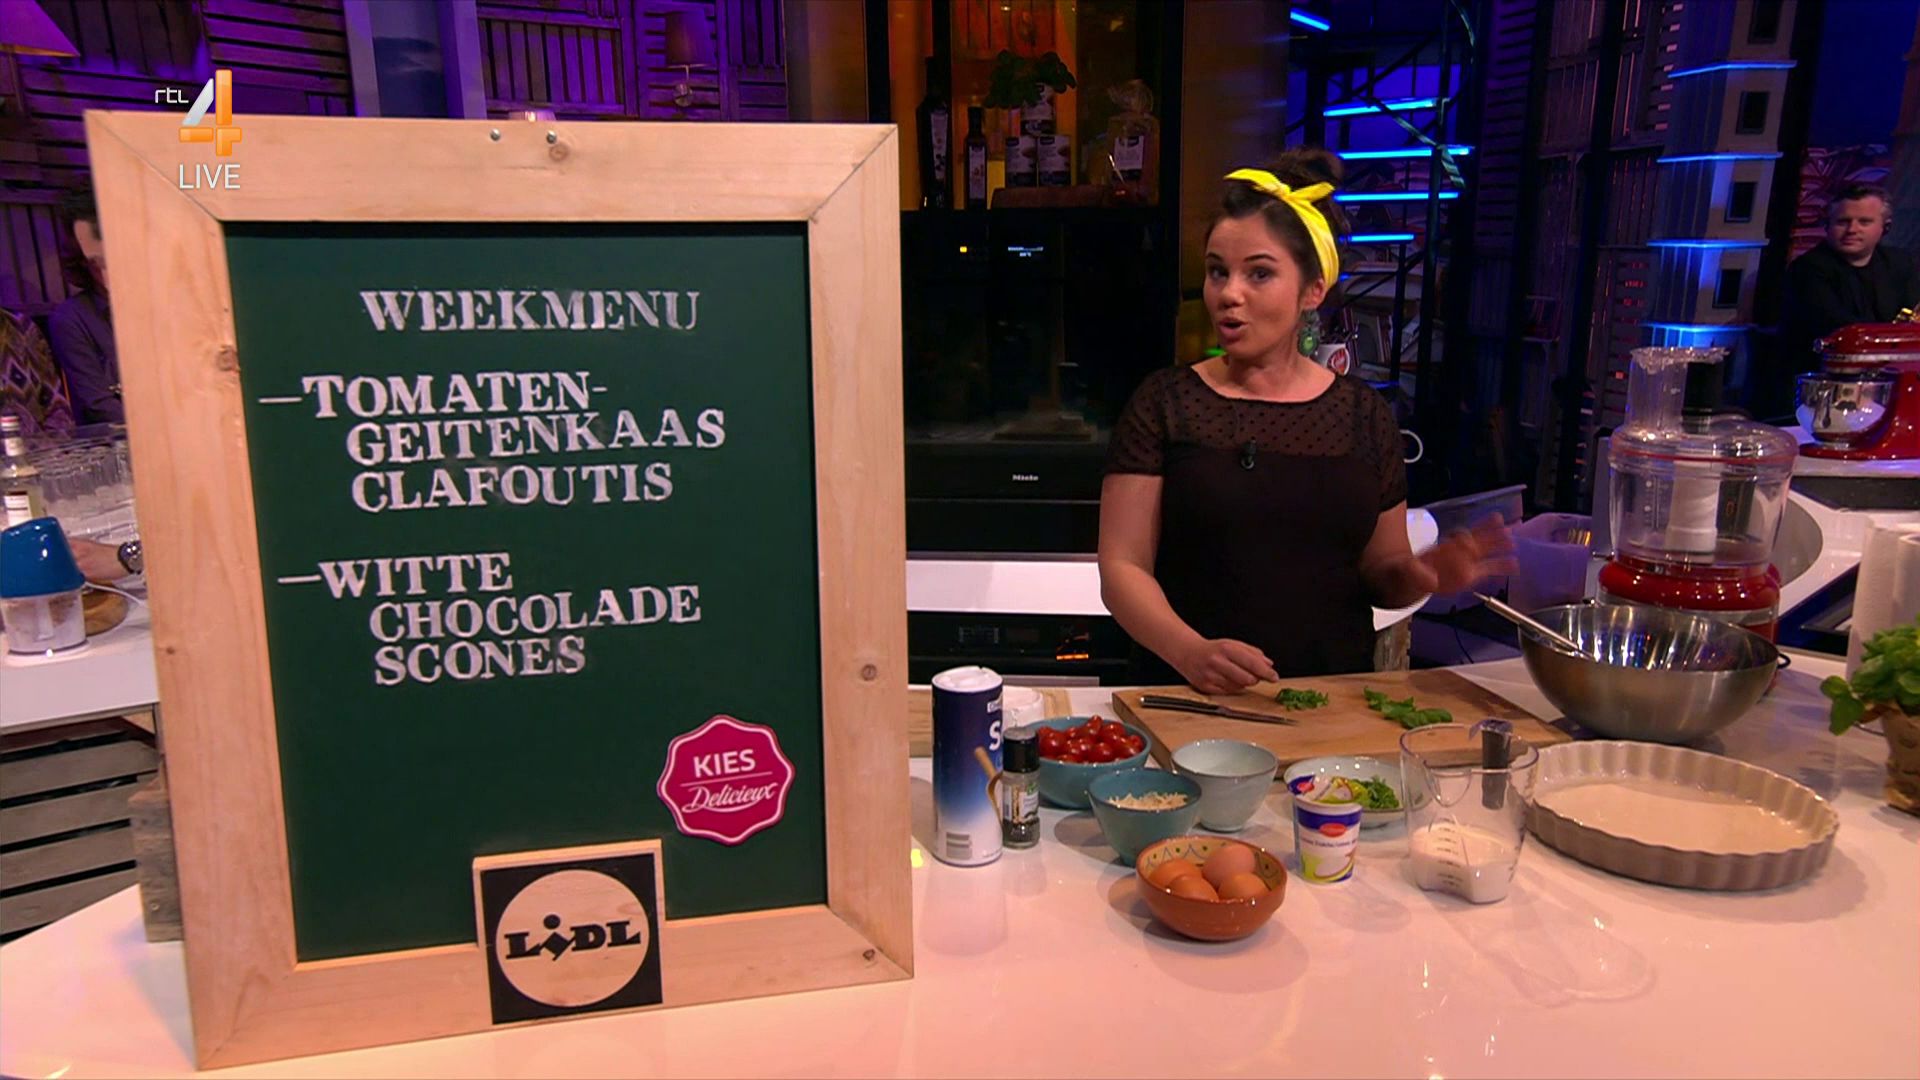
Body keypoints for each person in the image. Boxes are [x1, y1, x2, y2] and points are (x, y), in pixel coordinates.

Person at [1098, 149, 1514, 692]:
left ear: (1313, 290)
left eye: (1259, 273)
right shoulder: (1165, 403)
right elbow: (1122, 568)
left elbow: (1383, 574)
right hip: (1187, 700)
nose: (1229, 294)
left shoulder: (1363, 416)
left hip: (1331, 707)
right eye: (1218, 271)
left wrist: (1426, 574)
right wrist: (1190, 652)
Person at [1781, 184, 1920, 374]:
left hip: (1892, 369)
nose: (1852, 229)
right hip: (1827, 373)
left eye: (1864, 222)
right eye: (1842, 222)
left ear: (1885, 227)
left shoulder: (1900, 263)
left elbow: (1913, 319)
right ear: (1827, 225)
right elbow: (1840, 329)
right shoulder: (1807, 269)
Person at [47, 187, 124, 427]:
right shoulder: (70, 319)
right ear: (80, 262)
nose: (109, 274)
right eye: (96, 263)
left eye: (117, 258)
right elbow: (98, 405)